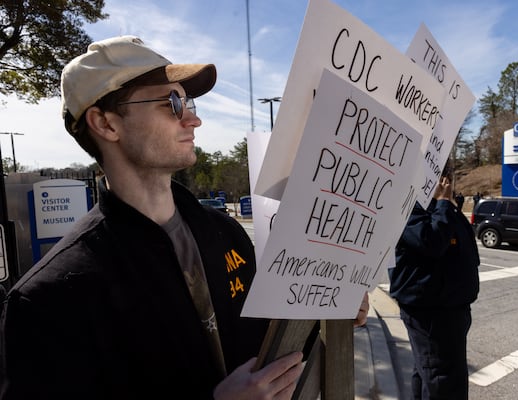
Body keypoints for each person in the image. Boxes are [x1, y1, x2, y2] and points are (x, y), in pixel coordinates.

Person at [0, 36, 368, 400]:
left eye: (187, 100)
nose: (194, 118)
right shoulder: (50, 297)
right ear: (106, 124)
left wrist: (327, 305)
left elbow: (269, 350)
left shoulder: (226, 234)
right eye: (172, 102)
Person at [388, 176, 479, 399]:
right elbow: (431, 241)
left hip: (450, 306)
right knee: (444, 383)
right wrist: (444, 203)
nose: (444, 180)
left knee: (427, 373)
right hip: (432, 311)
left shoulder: (436, 203)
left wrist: (446, 204)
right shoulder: (407, 201)